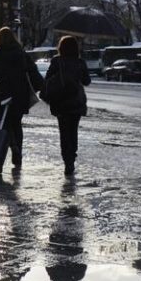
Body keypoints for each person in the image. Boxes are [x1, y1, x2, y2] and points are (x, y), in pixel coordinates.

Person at [0, 27, 42, 168]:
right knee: (17, 123)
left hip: (4, 93)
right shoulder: (21, 53)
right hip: (20, 93)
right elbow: (33, 71)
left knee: (5, 123)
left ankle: (13, 146)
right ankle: (18, 150)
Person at [43, 36, 91, 176]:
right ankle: (72, 157)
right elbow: (86, 81)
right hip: (76, 102)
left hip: (60, 102)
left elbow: (47, 79)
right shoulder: (80, 62)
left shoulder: (56, 61)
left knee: (64, 133)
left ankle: (67, 162)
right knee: (73, 131)